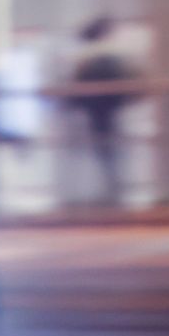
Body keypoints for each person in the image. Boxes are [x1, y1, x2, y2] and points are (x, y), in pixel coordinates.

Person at [69, 17, 135, 207]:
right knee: (111, 153)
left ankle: (112, 193)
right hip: (107, 112)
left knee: (107, 154)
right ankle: (114, 194)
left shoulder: (87, 58)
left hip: (98, 113)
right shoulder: (105, 57)